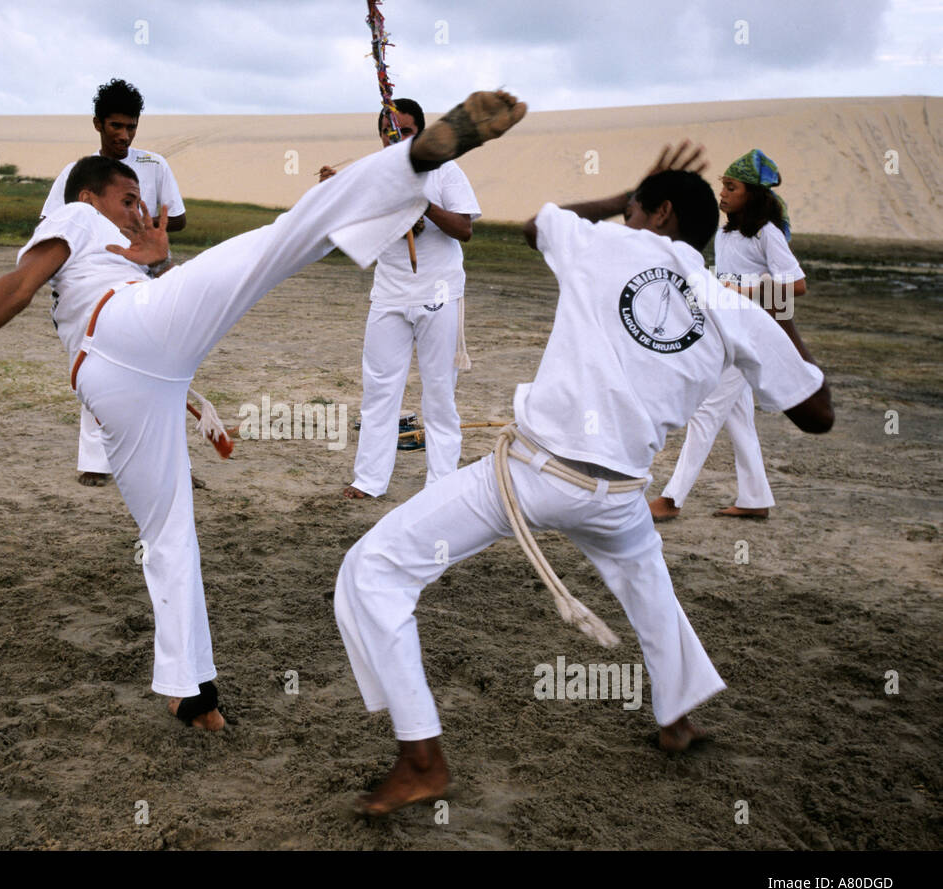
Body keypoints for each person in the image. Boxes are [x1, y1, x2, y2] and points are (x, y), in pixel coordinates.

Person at [0, 90, 529, 731]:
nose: (140, 211)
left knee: (168, 534)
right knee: (277, 244)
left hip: (120, 378)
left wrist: (183, 370)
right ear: (90, 199)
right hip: (121, 335)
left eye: (142, 200)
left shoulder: (119, 252)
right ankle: (413, 160)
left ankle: (190, 693)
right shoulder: (77, 218)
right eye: (129, 200)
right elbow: (20, 286)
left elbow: (160, 333)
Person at [333, 142, 834, 816]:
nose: (623, 218)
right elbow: (817, 414)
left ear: (656, 214)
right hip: (619, 496)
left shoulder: (604, 245)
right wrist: (778, 322)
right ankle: (678, 715)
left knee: (373, 570)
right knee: (647, 583)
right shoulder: (725, 301)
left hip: (533, 473)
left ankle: (422, 758)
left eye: (634, 209)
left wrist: (618, 199)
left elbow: (537, 225)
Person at [319, 99, 481, 500]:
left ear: (421, 133)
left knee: (439, 391)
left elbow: (464, 229)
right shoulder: (373, 175)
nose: (397, 139)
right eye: (390, 132)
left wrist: (422, 204)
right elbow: (348, 229)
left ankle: (441, 484)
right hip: (389, 294)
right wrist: (331, 191)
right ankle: (369, 481)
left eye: (406, 132)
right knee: (378, 390)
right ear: (380, 136)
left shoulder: (445, 168)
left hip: (439, 294)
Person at [42, 78, 188, 488]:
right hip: (92, 281)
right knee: (96, 362)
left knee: (165, 364)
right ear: (97, 124)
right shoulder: (78, 172)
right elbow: (49, 221)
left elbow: (177, 217)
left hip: (143, 275)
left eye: (131, 126)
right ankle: (95, 460)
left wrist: (141, 221)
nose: (124, 135)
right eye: (115, 126)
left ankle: (174, 461)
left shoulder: (156, 165)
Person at [649, 148, 807, 521]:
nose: (723, 193)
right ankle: (755, 499)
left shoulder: (767, 234)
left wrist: (745, 291)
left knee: (705, 411)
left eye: (731, 187)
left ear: (751, 193)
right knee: (738, 417)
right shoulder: (724, 232)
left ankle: (671, 500)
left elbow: (797, 285)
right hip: (724, 328)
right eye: (722, 186)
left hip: (748, 335)